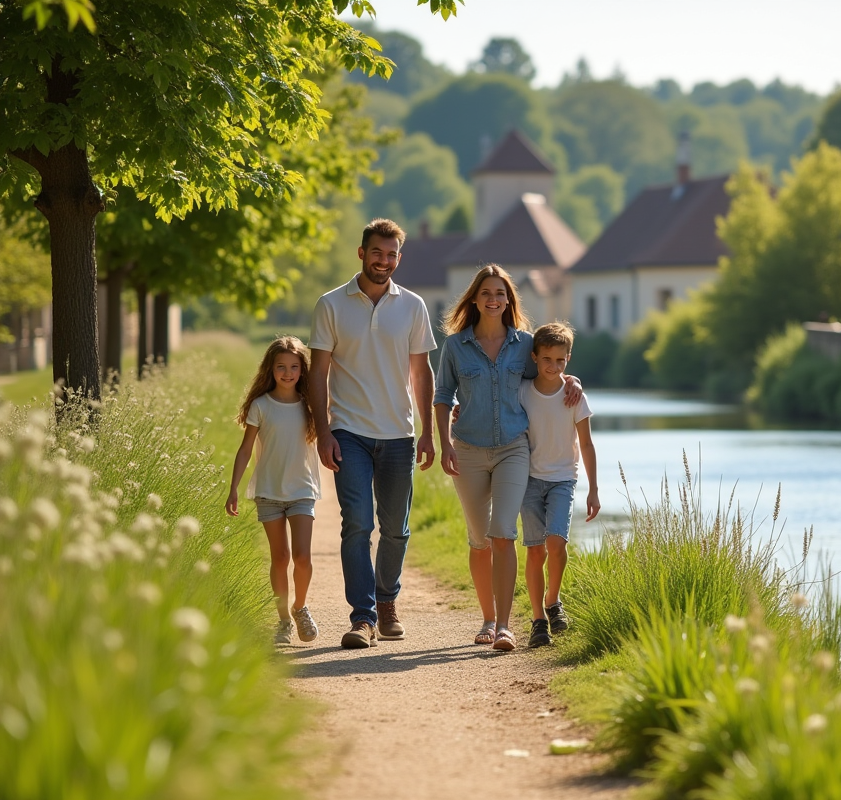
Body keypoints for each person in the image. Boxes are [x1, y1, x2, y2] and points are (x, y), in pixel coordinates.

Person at [433, 264, 580, 652]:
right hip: (467, 449)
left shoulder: (524, 343)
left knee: (503, 533)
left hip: (514, 448)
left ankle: (502, 626)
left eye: (500, 293)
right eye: (486, 293)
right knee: (479, 539)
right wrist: (444, 441)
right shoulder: (455, 346)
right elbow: (443, 395)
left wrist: (573, 380)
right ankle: (485, 619)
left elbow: (551, 372)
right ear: (475, 299)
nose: (493, 299)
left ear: (509, 300)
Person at [309, 218, 437, 650]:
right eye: (377, 253)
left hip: (399, 434)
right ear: (361, 253)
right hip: (349, 432)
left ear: (399, 258)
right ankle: (362, 617)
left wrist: (428, 432)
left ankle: (387, 604)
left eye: (392, 255)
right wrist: (323, 431)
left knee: (396, 529)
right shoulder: (331, 304)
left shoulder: (413, 306)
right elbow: (318, 373)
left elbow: (421, 372)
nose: (384, 261)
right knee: (358, 525)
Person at [226, 336, 322, 646]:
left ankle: (300, 607)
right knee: (279, 558)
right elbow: (244, 450)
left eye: (294, 367)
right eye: (281, 367)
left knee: (303, 557)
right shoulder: (261, 405)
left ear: (302, 370)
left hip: (301, 490)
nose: (287, 373)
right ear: (270, 369)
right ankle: (283, 621)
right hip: (268, 492)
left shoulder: (310, 406)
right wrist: (234, 490)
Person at [519, 322, 600, 648]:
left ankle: (553, 600)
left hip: (564, 479)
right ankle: (538, 619)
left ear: (568, 359)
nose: (553, 367)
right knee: (535, 550)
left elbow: (588, 444)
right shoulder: (522, 391)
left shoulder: (574, 396)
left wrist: (593, 489)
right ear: (535, 357)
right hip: (529, 479)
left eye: (561, 361)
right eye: (547, 359)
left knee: (557, 544)